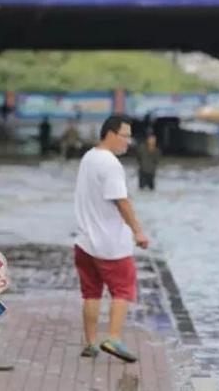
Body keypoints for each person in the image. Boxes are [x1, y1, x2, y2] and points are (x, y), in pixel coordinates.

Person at [73, 114, 149, 363]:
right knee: (123, 289)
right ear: (111, 134)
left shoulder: (89, 157)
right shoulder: (111, 164)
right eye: (125, 136)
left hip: (84, 241)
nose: (128, 141)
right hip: (111, 245)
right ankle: (113, 338)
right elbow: (122, 202)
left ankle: (91, 342)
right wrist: (138, 231)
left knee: (91, 293)